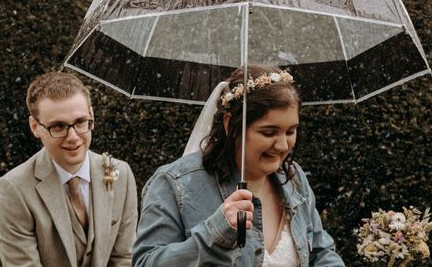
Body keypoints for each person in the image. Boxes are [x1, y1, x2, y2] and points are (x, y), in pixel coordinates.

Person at [133, 65, 345, 266]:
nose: (282, 145)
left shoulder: (294, 178)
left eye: (290, 131)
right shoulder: (175, 183)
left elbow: (321, 253)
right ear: (230, 124)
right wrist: (215, 233)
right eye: (268, 132)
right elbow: (145, 263)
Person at [0, 71, 138, 267]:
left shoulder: (120, 173)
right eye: (58, 126)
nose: (73, 137)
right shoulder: (14, 189)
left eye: (80, 122)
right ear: (35, 127)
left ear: (92, 115)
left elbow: (125, 259)